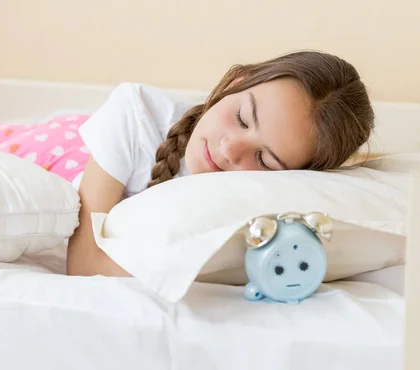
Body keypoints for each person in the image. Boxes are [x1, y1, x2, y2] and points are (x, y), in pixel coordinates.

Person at [65, 50, 376, 277]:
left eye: (264, 159)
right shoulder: (136, 117)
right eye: (241, 118)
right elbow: (84, 266)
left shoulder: (272, 201)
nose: (229, 149)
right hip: (61, 148)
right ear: (234, 82)